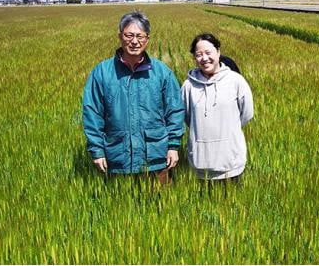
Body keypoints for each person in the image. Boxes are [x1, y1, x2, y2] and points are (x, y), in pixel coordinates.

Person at [82, 11, 185, 184]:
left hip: (156, 159)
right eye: (129, 35)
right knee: (120, 208)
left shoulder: (162, 73)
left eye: (140, 36)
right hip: (117, 160)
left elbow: (174, 111)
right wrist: (97, 150)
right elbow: (92, 113)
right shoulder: (102, 72)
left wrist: (173, 146)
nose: (135, 41)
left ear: (147, 39)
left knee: (160, 207)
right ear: (120, 37)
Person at [181, 33, 253, 182]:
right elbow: (188, 117)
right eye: (199, 54)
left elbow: (246, 114)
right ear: (194, 58)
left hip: (231, 164)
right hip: (201, 165)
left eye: (208, 52)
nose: (204, 58)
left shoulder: (236, 81)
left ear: (218, 52)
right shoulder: (188, 86)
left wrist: (229, 130)